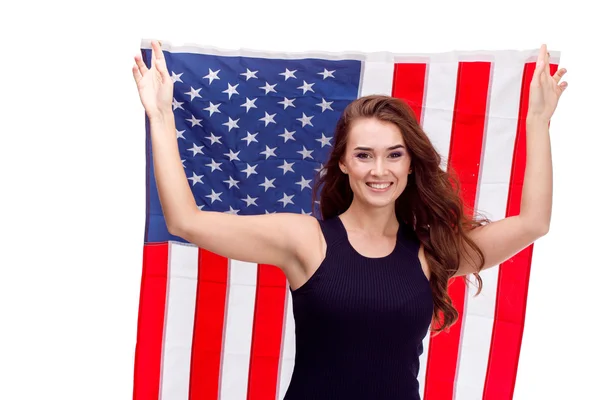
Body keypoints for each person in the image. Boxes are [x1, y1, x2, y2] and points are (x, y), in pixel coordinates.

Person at [132, 41, 567, 399]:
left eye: (394, 155)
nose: (380, 170)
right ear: (342, 163)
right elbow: (186, 220)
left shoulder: (433, 251)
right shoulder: (306, 240)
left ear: (411, 163)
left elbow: (533, 223)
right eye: (364, 155)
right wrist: (161, 118)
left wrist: (538, 122)